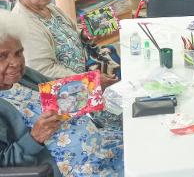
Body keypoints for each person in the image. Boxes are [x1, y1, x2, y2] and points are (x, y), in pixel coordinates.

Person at [0, 9, 124, 176]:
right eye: (2, 57)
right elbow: (4, 166)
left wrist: (90, 87)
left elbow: (58, 95)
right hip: (75, 168)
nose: (15, 62)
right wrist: (34, 137)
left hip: (98, 142)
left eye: (19, 53)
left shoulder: (24, 76)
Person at [10, 0, 119, 87]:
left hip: (88, 62)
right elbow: (44, 71)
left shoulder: (50, 8)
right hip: (71, 86)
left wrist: (84, 34)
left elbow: (71, 32)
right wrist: (90, 80)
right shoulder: (24, 23)